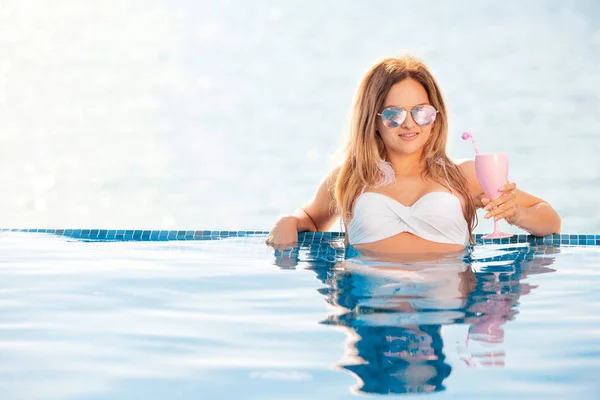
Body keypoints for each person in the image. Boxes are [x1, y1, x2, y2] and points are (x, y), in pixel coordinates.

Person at [266, 55, 561, 253]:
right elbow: (312, 219)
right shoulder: (351, 178)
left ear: (435, 117)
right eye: (394, 114)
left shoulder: (463, 177)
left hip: (441, 309)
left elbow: (550, 220)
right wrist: (288, 221)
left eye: (421, 112)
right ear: (374, 121)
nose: (409, 123)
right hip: (371, 315)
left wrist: (517, 214)